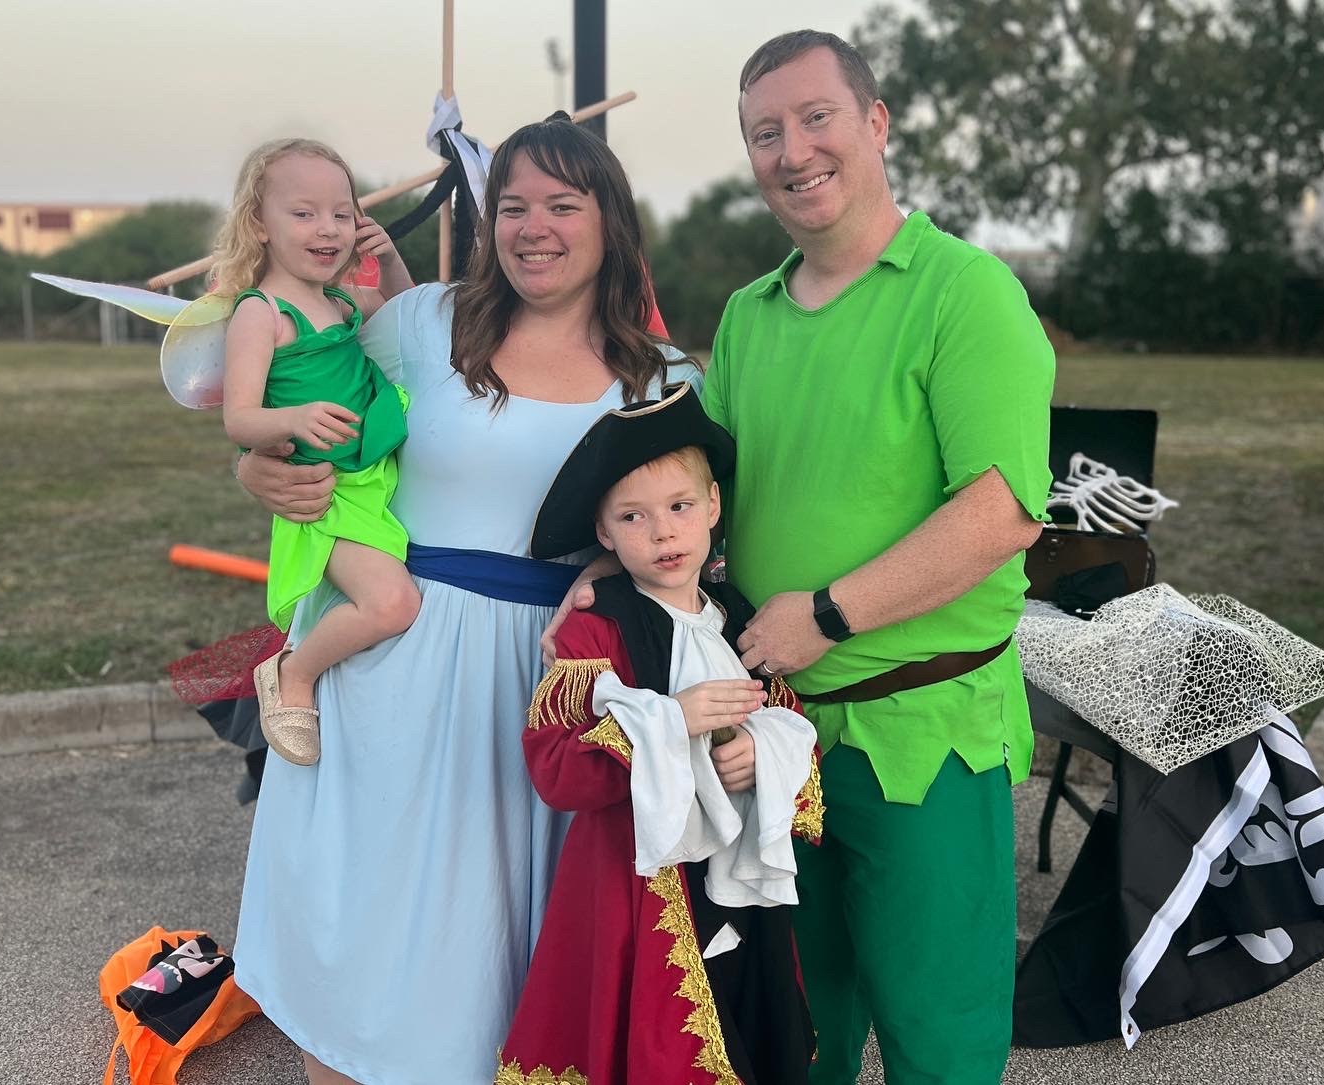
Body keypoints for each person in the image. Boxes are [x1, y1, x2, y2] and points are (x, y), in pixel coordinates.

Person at [230, 116, 709, 1085]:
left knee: (495, 946)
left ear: (610, 221)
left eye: (562, 205)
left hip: (544, 681)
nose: (534, 227)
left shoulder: (663, 379)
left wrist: (605, 573)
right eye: (514, 206)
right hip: (390, 659)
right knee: (362, 934)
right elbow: (301, 402)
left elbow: (681, 530)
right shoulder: (425, 321)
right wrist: (254, 470)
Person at [704, 30, 1057, 1085]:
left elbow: (999, 512)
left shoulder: (964, 292)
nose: (793, 151)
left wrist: (826, 613)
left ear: (875, 122)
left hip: (925, 737)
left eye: (815, 118)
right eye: (765, 133)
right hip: (779, 734)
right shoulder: (748, 315)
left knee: (936, 1036)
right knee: (793, 1030)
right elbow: (701, 489)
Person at [499, 384, 821, 1085]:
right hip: (638, 882)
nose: (663, 533)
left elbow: (792, 725)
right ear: (605, 532)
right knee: (660, 1037)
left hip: (738, 878)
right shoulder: (594, 630)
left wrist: (760, 754)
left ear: (713, 506)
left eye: (680, 507)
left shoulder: (741, 619)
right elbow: (556, 769)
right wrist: (671, 722)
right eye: (633, 516)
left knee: (744, 1021)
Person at [213, 138, 418, 766]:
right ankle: (292, 674)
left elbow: (410, 319)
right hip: (327, 492)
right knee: (392, 604)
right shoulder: (262, 313)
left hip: (373, 476)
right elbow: (239, 418)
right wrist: (293, 418)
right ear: (260, 224)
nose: (327, 228)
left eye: (341, 213)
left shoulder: (342, 301)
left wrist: (391, 261)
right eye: (303, 214)